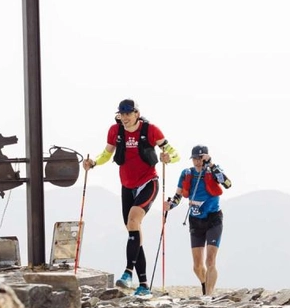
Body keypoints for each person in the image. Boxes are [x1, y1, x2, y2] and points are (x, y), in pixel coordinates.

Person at [81, 99, 180, 297]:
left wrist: (169, 158)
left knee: (134, 219)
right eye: (122, 114)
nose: (125, 117)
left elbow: (174, 154)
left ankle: (127, 273)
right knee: (133, 231)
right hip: (127, 186)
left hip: (148, 183)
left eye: (129, 113)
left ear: (137, 113)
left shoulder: (151, 130)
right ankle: (143, 285)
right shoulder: (115, 131)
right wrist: (93, 164)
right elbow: (107, 154)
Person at [163, 145, 231, 296]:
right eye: (195, 158)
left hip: (213, 218)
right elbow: (178, 196)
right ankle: (206, 286)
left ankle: (208, 295)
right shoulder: (187, 173)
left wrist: (212, 165)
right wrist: (170, 205)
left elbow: (227, 183)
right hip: (195, 221)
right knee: (197, 266)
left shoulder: (213, 171)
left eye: (200, 158)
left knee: (210, 260)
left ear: (206, 157)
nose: (197, 161)